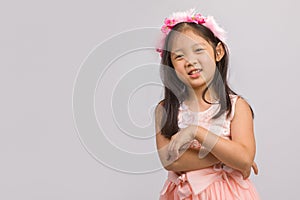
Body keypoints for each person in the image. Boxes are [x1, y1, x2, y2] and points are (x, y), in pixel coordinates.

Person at [155, 9, 260, 199]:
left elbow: (244, 157)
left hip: (227, 194)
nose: (190, 61)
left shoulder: (236, 107)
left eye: (198, 50)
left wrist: (196, 132)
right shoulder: (165, 110)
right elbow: (171, 161)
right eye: (179, 56)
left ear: (218, 52)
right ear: (170, 64)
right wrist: (230, 157)